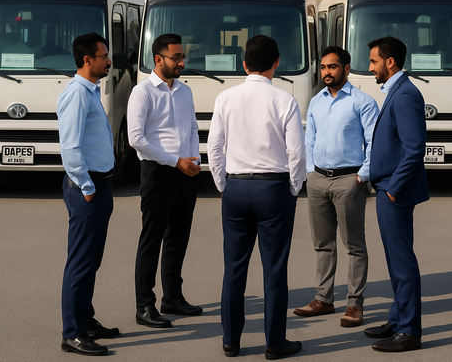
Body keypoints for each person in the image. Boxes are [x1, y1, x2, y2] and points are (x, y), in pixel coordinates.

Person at [207, 35, 306, 360]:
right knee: (274, 269)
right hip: (273, 189)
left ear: (244, 64)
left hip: (236, 187)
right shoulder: (285, 100)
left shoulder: (225, 98)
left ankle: (231, 341)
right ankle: (275, 343)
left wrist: (223, 184)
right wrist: (293, 188)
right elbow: (297, 153)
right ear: (276, 63)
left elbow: (214, 149)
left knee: (233, 268)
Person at [293, 46, 378, 328]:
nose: (326, 72)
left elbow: (374, 143)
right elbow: (309, 139)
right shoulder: (316, 101)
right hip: (318, 179)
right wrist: (308, 173)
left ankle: (354, 304)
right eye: (323, 67)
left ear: (346, 68)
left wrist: (362, 176)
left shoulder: (362, 102)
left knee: (354, 245)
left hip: (348, 180)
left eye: (332, 67)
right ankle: (323, 299)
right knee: (322, 244)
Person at [127, 33, 202, 329]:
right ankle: (144, 306)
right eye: (176, 57)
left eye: (183, 56)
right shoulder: (142, 92)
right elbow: (136, 139)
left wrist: (194, 159)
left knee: (178, 238)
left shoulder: (184, 91)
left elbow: (193, 128)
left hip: (186, 171)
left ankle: (172, 297)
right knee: (152, 239)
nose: (181, 62)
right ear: (158, 59)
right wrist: (175, 161)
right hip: (158, 173)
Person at [363, 36, 429, 353]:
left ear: (390, 62)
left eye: (374, 61)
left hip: (394, 190)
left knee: (402, 262)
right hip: (388, 187)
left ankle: (409, 331)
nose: (370, 67)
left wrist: (393, 190)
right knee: (394, 259)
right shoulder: (398, 91)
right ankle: (398, 318)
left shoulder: (404, 95)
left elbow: (415, 149)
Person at [58, 33, 120, 356]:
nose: (108, 61)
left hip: (99, 185)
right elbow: (70, 148)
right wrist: (87, 188)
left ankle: (86, 320)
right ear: (87, 60)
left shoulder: (90, 91)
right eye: (103, 56)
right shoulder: (77, 95)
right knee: (80, 262)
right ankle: (72, 333)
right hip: (88, 189)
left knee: (91, 261)